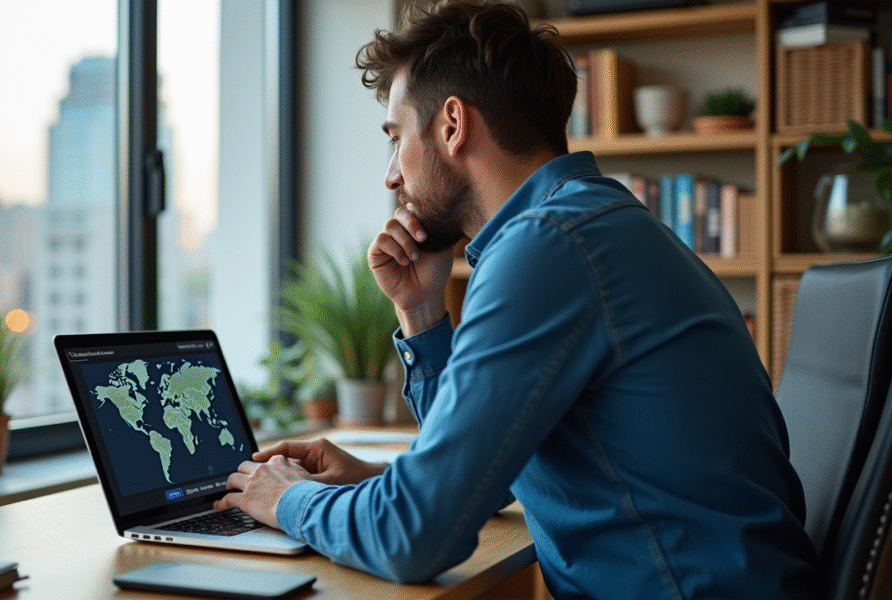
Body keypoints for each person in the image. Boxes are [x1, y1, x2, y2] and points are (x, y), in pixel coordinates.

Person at [215, 1, 819, 597]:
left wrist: (287, 498)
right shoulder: (592, 224)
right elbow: (501, 471)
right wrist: (421, 316)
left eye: (397, 138)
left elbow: (414, 538)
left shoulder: (548, 247)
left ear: (453, 125)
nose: (391, 175)